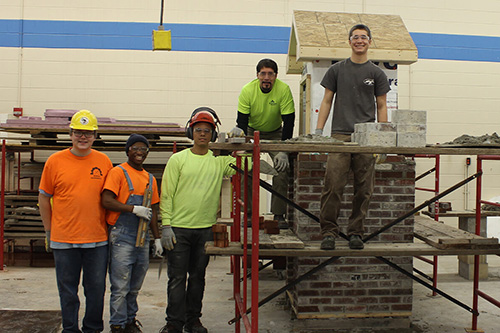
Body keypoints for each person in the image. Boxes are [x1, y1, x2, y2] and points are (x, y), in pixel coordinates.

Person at [159, 107, 238, 333]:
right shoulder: (178, 160)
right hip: (178, 231)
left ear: (213, 135)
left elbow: (248, 163)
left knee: (197, 278)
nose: (202, 134)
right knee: (176, 279)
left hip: (204, 230)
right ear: (190, 132)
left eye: (207, 130)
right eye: (198, 130)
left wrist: (240, 139)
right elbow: (167, 194)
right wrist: (166, 226)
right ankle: (174, 322)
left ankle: (193, 320)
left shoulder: (219, 163)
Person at [315, 24, 390, 250]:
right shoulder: (337, 70)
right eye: (355, 37)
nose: (359, 40)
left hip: (366, 139)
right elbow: (327, 101)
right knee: (333, 186)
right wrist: (319, 132)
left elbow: (382, 104)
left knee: (363, 189)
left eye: (364, 37)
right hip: (339, 136)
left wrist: (383, 140)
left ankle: (355, 232)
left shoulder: (377, 73)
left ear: (369, 42)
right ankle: (329, 232)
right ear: (349, 42)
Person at [39, 110, 113, 333]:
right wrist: (48, 231)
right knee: (68, 290)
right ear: (70, 134)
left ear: (95, 135)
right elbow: (44, 197)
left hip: (97, 240)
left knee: (96, 289)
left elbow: (110, 198)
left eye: (88, 133)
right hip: (63, 240)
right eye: (78, 133)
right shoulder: (55, 161)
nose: (83, 137)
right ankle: (70, 329)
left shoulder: (103, 161)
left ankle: (92, 328)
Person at [102, 134, 163, 333]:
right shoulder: (118, 172)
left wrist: (158, 238)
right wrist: (132, 209)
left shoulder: (150, 178)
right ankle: (117, 324)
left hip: (143, 237)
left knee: (135, 285)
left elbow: (153, 210)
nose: (139, 152)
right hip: (122, 235)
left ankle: (129, 321)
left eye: (143, 149)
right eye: (135, 148)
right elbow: (107, 201)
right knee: (120, 285)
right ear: (127, 150)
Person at [229, 58, 295, 228]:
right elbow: (242, 122)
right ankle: (250, 214)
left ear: (276, 76)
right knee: (247, 168)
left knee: (282, 169)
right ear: (257, 75)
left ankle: (278, 215)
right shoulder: (247, 90)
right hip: (251, 132)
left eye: (270, 74)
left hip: (276, 133)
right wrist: (238, 130)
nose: (267, 77)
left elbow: (289, 122)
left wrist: (284, 150)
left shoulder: (283, 90)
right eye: (263, 73)